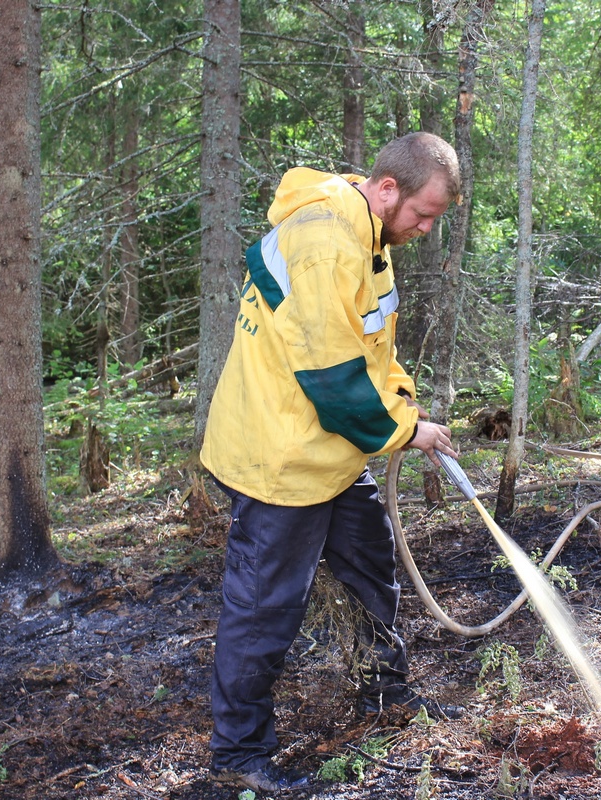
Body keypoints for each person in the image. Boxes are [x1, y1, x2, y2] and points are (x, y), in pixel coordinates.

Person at [199, 131, 463, 794]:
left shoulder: (368, 234)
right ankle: (238, 756)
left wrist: (403, 402)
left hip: (332, 453)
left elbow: (370, 347)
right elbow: (336, 380)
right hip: (282, 456)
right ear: (385, 188)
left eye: (435, 220)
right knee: (265, 606)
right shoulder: (325, 242)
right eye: (422, 215)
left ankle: (382, 694)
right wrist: (409, 430)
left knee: (370, 564)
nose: (426, 230)